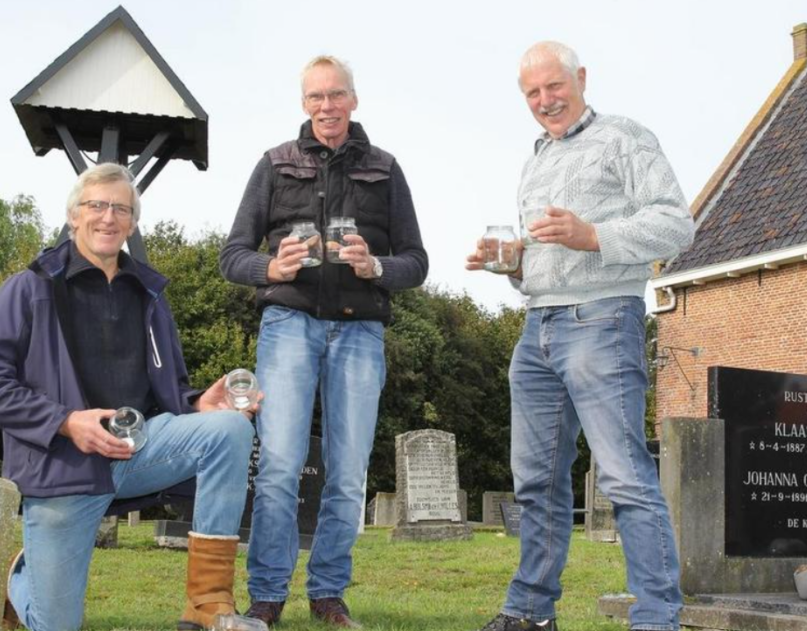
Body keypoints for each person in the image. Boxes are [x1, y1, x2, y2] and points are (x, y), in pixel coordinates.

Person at [0, 163, 257, 631]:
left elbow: (171, 387)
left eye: (121, 208)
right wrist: (65, 421)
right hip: (62, 466)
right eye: (96, 205)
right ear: (73, 216)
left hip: (136, 450)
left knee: (229, 427)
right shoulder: (29, 288)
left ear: (132, 223)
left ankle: (208, 604)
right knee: (57, 623)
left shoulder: (150, 295)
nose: (108, 217)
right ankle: (21, 578)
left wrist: (199, 402)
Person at [466, 41, 695, 631]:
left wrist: (593, 234)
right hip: (536, 327)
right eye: (532, 94)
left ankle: (656, 618)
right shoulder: (535, 158)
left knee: (622, 476)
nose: (545, 101)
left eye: (554, 87)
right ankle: (530, 613)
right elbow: (541, 261)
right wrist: (512, 262)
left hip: (601, 320)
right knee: (536, 479)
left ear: (581, 78)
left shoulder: (625, 138)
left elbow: (676, 224)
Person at [220, 55, 428, 627]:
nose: (326, 107)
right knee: (281, 465)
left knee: (348, 470)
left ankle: (328, 592)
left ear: (354, 100)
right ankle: (266, 594)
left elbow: (417, 262)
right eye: (315, 97)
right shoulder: (274, 164)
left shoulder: (385, 169)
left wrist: (375, 268)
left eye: (336, 95)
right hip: (288, 325)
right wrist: (274, 268)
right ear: (303, 104)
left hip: (360, 331)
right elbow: (232, 256)